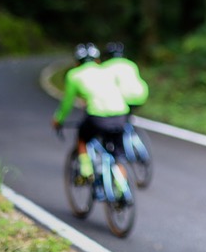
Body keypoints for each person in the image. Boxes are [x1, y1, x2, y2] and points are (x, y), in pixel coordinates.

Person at [52, 42, 149, 179]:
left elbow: (67, 103)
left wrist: (58, 119)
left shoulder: (74, 75)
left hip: (98, 116)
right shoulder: (106, 70)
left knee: (82, 137)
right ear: (97, 59)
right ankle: (123, 192)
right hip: (121, 113)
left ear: (77, 62)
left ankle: (86, 172)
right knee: (117, 157)